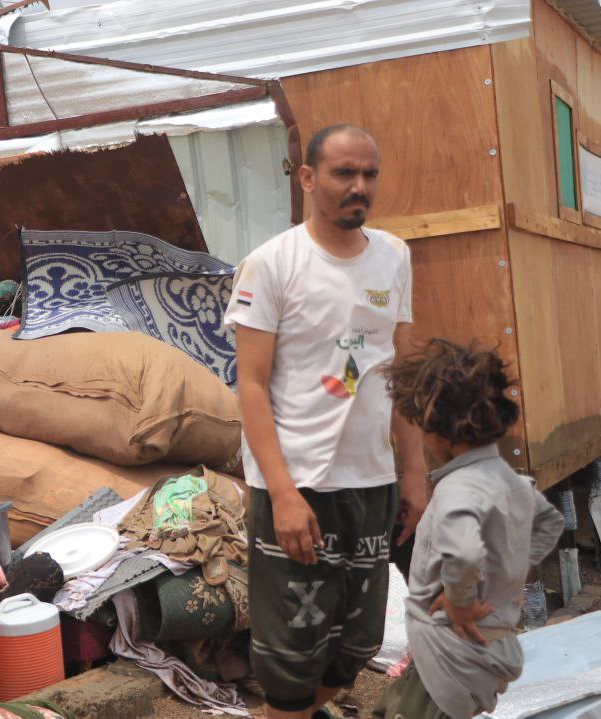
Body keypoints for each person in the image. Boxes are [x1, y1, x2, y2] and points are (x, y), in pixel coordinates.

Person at [225, 124, 428, 719]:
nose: (359, 187)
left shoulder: (394, 256)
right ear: (309, 178)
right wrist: (283, 494)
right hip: (298, 485)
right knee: (291, 656)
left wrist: (413, 470)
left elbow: (400, 371)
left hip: (371, 482)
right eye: (344, 173)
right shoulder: (270, 265)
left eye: (369, 175)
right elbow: (252, 387)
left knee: (357, 645)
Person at [374, 340, 564, 718]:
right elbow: (549, 522)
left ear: (442, 434)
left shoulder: (457, 490)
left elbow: (461, 551)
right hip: (486, 648)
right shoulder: (507, 479)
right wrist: (508, 575)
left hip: (450, 651)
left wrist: (460, 601)